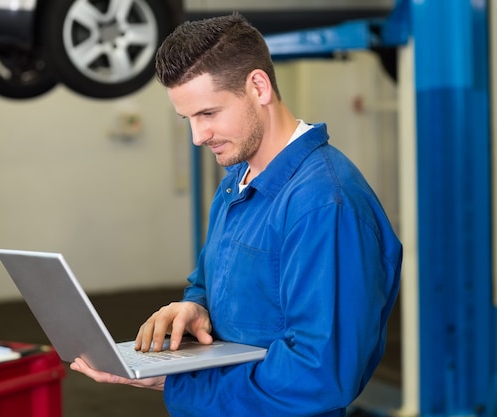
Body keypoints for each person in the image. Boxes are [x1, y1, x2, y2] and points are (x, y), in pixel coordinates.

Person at [70, 13, 402, 417]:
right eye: (188, 119)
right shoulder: (235, 183)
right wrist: (195, 309)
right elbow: (207, 282)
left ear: (258, 86)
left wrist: (184, 386)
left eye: (208, 113)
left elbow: (320, 374)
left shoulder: (323, 203)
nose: (197, 136)